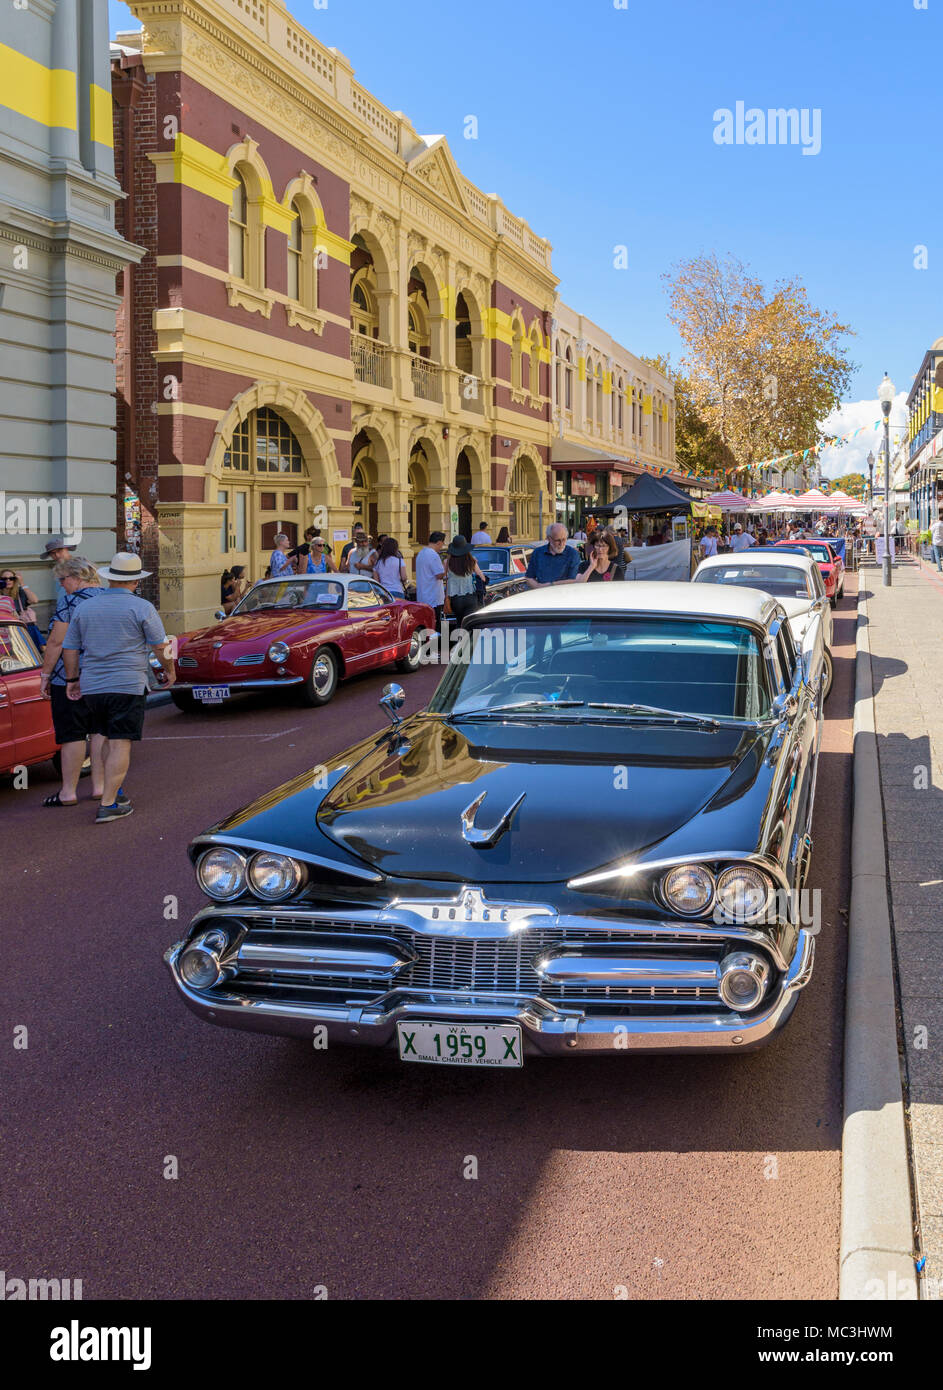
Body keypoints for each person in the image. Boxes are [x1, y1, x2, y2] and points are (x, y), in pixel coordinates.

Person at [61, 552, 176, 823]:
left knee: (103, 734)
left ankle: (112, 790)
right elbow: (160, 646)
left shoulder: (85, 607)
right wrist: (169, 671)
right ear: (136, 581)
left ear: (110, 578)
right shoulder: (142, 607)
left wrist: (72, 679)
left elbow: (70, 648)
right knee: (121, 741)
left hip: (93, 684)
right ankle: (109, 803)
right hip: (126, 683)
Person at [38, 556, 105, 807]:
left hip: (68, 675)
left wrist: (45, 675)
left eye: (63, 579)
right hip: (102, 674)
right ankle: (99, 786)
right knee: (100, 731)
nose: (62, 584)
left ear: (77, 577)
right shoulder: (109, 597)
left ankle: (68, 791)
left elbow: (57, 641)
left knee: (72, 734)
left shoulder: (70, 601)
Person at [524, 523, 580, 588]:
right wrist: (538, 588)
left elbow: (572, 581)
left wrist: (550, 585)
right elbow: (529, 578)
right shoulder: (537, 553)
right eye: (558, 540)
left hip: (564, 594)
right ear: (549, 538)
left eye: (564, 539)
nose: (561, 544)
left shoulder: (572, 554)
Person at [0, 568, 44, 649]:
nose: (8, 580)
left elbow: (34, 600)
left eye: (11, 578)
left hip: (22, 630)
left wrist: (22, 583)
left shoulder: (20, 592)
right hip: (5, 631)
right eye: (4, 579)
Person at [445, 536, 486, 623]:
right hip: (470, 597)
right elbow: (482, 578)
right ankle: (471, 637)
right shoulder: (472, 561)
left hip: (455, 599)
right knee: (470, 623)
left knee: (460, 622)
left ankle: (459, 636)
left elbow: (444, 577)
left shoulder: (447, 562)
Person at [415, 531, 447, 626]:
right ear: (439, 542)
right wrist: (446, 565)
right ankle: (438, 641)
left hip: (422, 596)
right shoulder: (433, 555)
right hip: (434, 598)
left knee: (426, 625)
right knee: (435, 625)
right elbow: (439, 575)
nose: (441, 547)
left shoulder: (421, 553)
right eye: (442, 544)